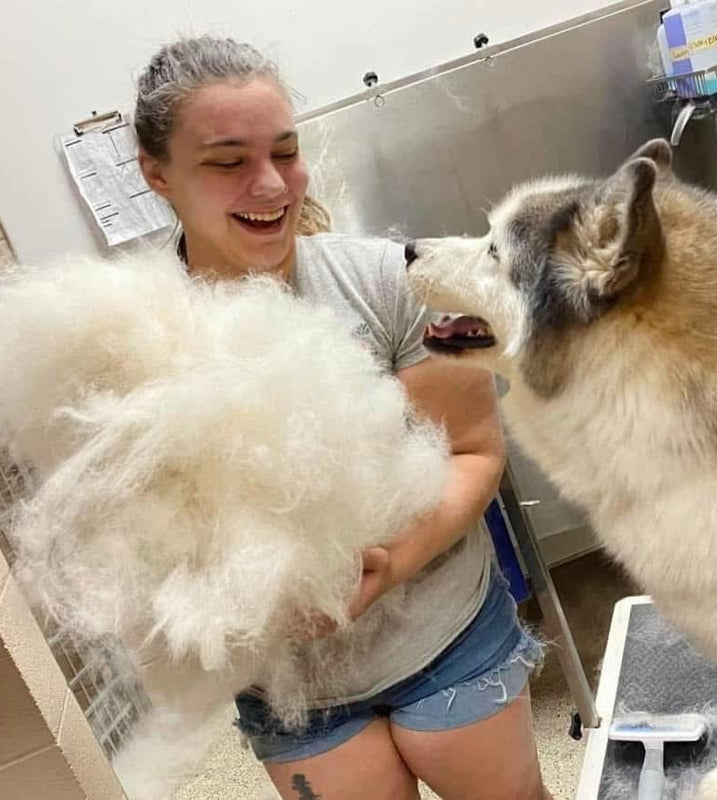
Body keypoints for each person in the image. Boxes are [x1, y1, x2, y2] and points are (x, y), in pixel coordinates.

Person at [135, 36, 551, 800]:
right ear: (156, 172)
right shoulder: (133, 340)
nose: (271, 184)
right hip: (292, 687)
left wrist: (389, 563)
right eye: (228, 161)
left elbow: (471, 452)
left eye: (285, 151)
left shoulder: (395, 283)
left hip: (445, 634)